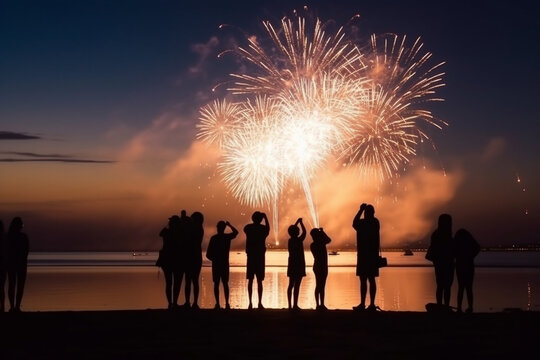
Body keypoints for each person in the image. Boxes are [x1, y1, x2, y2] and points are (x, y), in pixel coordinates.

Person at [352, 204, 381, 312]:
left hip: (363, 256)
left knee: (363, 280)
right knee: (371, 279)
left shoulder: (363, 223)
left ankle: (363, 304)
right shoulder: (375, 222)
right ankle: (371, 304)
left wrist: (360, 210)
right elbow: (355, 224)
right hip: (372, 255)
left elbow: (354, 223)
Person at [206, 220, 239, 309]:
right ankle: (226, 303)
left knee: (218, 284)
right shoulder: (226, 237)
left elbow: (208, 254)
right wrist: (229, 225)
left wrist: (214, 260)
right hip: (223, 264)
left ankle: (218, 304)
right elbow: (236, 232)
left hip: (218, 264)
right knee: (224, 283)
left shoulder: (215, 238)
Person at [426, 214, 455, 308]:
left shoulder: (436, 235)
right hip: (447, 263)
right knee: (447, 286)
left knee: (440, 285)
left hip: (439, 263)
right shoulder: (447, 236)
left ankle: (440, 305)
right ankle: (445, 305)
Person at [244, 211, 270, 309]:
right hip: (259, 257)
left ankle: (250, 303)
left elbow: (245, 229)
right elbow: (268, 228)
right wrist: (265, 217)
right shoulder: (262, 229)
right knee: (259, 281)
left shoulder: (248, 228)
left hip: (251, 257)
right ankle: (259, 303)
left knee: (250, 280)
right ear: (260, 219)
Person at [157, 215, 183, 310]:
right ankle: (174, 303)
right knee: (176, 283)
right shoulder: (179, 233)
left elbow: (160, 233)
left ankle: (170, 303)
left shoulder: (166, 231)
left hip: (167, 260)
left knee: (169, 283)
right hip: (176, 259)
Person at [6, 217, 29, 312]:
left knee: (13, 284)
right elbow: (26, 251)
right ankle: (16, 306)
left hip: (13, 264)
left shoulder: (8, 237)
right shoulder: (23, 237)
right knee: (18, 285)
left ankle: (14, 306)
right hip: (19, 264)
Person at [454, 228, 480, 313]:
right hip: (468, 265)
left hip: (461, 265)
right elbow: (477, 248)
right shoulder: (469, 242)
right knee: (468, 288)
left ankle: (459, 307)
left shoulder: (457, 241)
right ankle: (470, 307)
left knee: (461, 287)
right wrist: (471, 256)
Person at [185, 211, 204, 309]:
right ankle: (192, 302)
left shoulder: (197, 229)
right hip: (196, 256)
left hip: (192, 256)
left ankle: (191, 302)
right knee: (193, 280)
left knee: (190, 280)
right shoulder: (200, 229)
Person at [286, 218, 306, 310]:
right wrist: (300, 223)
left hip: (292, 264)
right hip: (299, 264)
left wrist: (296, 223)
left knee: (291, 285)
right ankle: (294, 305)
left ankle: (290, 305)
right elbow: (305, 232)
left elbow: (293, 230)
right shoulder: (298, 240)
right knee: (297, 286)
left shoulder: (290, 240)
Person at [310, 227, 331, 310]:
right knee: (321, 286)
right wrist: (323, 232)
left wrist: (321, 233)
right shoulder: (321, 243)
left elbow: (328, 240)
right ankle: (320, 304)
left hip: (317, 266)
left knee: (319, 285)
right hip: (321, 266)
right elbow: (329, 239)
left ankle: (319, 304)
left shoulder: (313, 244)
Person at [0, 220, 5, 312]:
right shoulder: (5, 238)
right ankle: (2, 307)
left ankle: (2, 306)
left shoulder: (5, 238)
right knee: (1, 287)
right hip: (3, 266)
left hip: (3, 266)